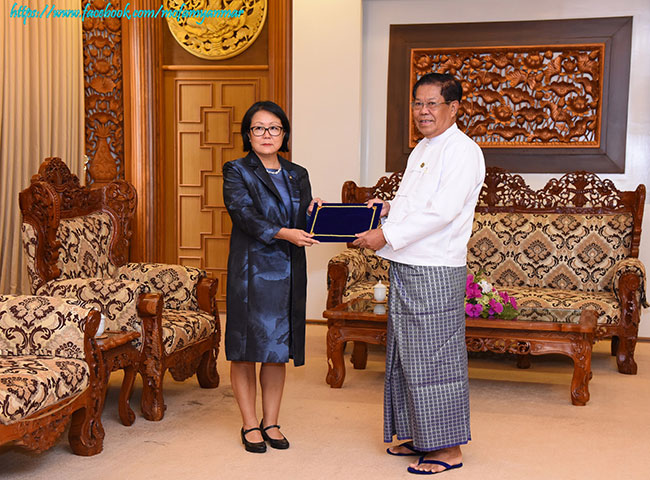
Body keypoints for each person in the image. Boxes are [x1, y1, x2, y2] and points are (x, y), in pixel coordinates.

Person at [353, 73, 485, 474]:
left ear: (454, 108)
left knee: (435, 359)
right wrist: (390, 207)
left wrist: (385, 234)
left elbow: (442, 212)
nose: (423, 112)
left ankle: (447, 449)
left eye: (432, 104)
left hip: (435, 267)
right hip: (409, 263)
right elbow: (417, 201)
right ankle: (420, 435)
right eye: (417, 104)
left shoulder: (463, 151)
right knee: (406, 355)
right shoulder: (423, 149)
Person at [222, 101, 322, 453]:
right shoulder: (236, 170)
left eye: (274, 128)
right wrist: (285, 232)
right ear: (248, 134)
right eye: (258, 128)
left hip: (289, 269)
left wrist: (314, 212)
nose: (267, 134)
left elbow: (305, 223)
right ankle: (250, 423)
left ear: (285, 133)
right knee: (246, 350)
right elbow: (243, 215)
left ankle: (272, 421)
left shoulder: (298, 173)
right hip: (252, 271)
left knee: (277, 349)